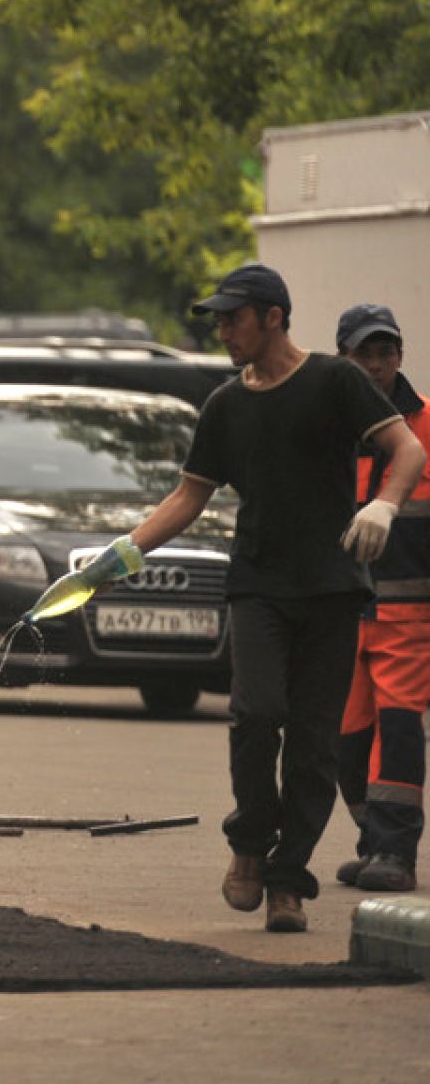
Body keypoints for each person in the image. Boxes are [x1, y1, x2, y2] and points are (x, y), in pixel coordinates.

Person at [121, 265, 426, 933]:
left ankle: (288, 879)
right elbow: (188, 496)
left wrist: (382, 502)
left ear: (272, 317)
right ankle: (249, 843)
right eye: (219, 320)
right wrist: (126, 551)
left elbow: (404, 448)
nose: (222, 330)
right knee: (256, 714)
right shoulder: (225, 405)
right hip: (257, 584)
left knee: (313, 744)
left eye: (232, 318)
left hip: (332, 588)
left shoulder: (334, 381)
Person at [332, 303, 430, 893]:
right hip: (343, 611)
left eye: (385, 352)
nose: (376, 365)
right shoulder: (328, 431)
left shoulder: (424, 431)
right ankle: (373, 843)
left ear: (400, 355)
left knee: (396, 730)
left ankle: (396, 853)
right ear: (343, 359)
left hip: (407, 612)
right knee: (345, 740)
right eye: (363, 354)